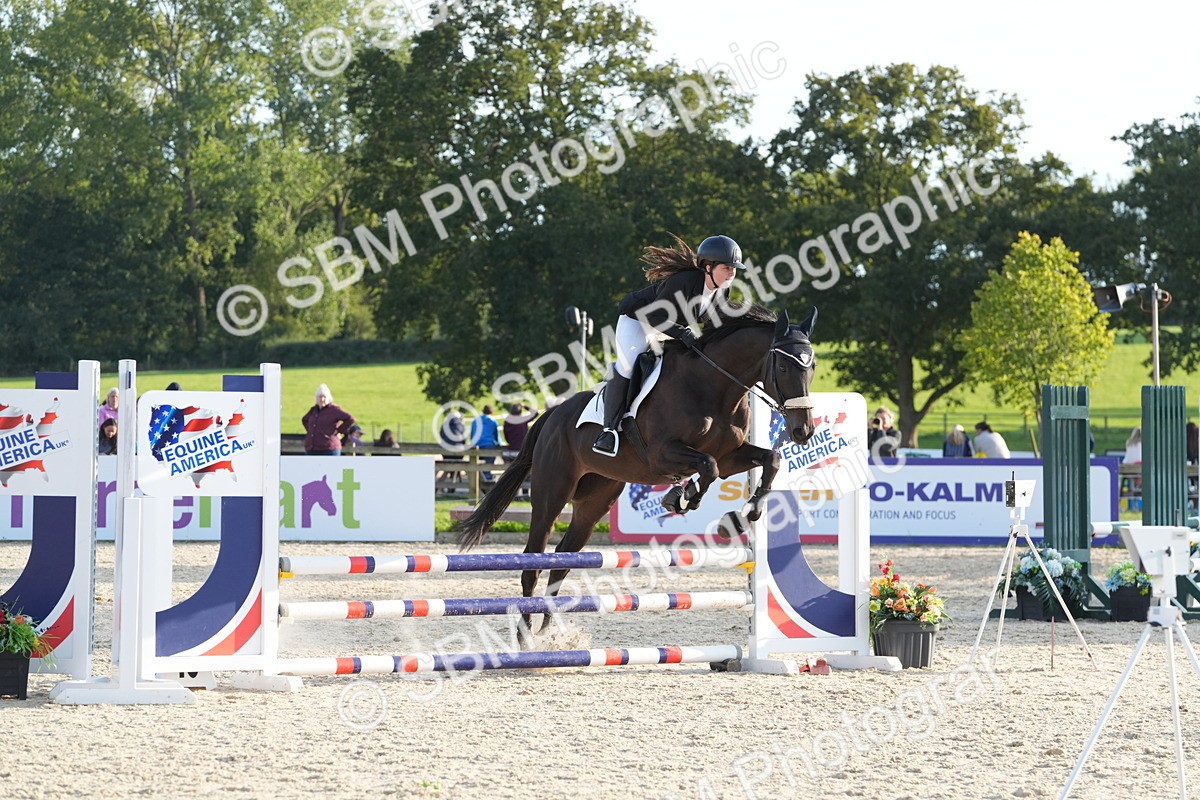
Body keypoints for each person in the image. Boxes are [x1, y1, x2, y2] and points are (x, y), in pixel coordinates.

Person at [592, 233, 744, 457]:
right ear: (708, 267)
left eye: (734, 268)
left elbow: (716, 325)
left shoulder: (722, 290)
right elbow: (652, 316)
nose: (732, 272)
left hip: (668, 328)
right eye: (727, 267)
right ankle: (608, 431)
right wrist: (683, 332)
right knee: (628, 366)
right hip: (639, 321)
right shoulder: (684, 282)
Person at [301, 384, 355, 455]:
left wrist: (338, 431)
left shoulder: (334, 410)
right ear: (316, 398)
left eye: (324, 397)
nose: (322, 399)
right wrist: (312, 431)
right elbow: (304, 420)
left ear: (328, 398)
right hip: (312, 448)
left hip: (329, 449)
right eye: (320, 397)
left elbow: (350, 418)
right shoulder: (314, 410)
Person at [470, 405, 502, 481]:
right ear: (492, 412)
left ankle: (479, 477)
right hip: (488, 446)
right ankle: (487, 476)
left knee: (475, 462)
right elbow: (496, 437)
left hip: (476, 446)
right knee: (489, 462)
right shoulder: (493, 422)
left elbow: (472, 435)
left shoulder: (475, 421)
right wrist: (499, 444)